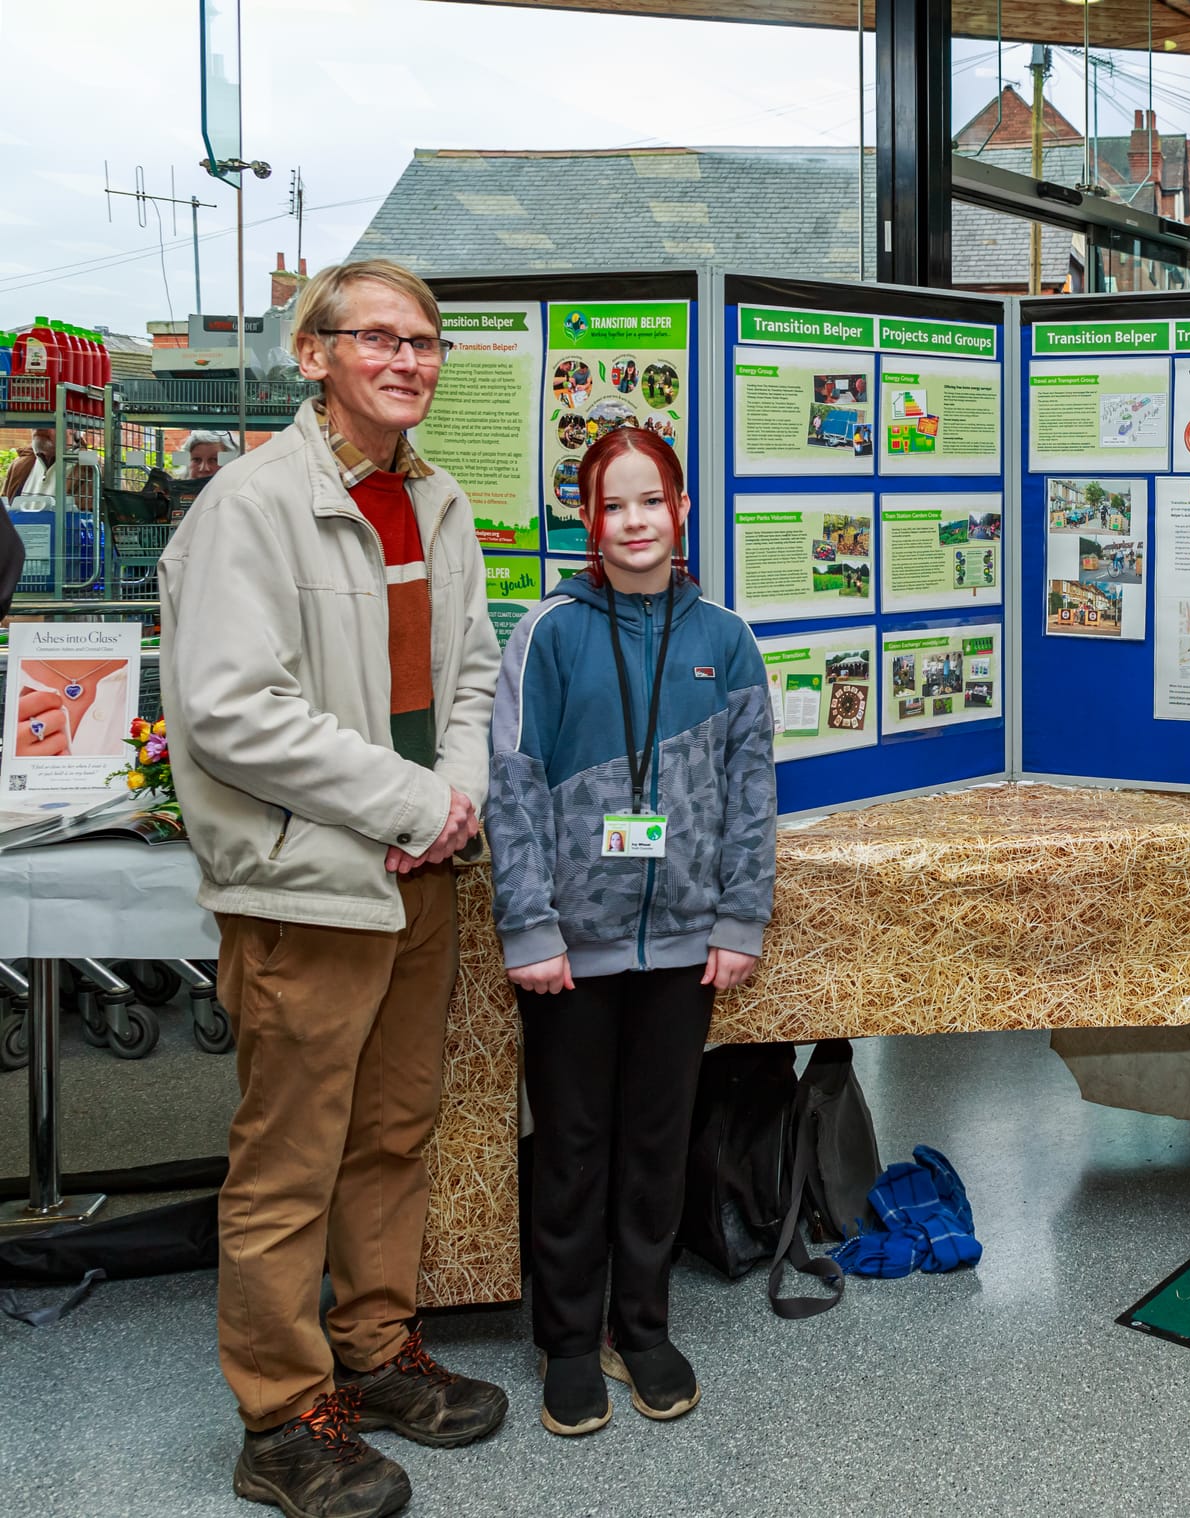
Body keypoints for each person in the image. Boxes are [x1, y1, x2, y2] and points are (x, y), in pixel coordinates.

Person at [158, 258, 506, 1518]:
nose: (409, 360)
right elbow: (230, 712)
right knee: (288, 1161)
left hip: (423, 876)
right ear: (314, 357)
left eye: (425, 343)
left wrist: (453, 800)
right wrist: (415, 804)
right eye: (380, 339)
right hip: (309, 888)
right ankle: (277, 1416)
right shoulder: (249, 508)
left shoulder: (443, 502)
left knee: (394, 1133)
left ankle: (370, 1351)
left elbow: (469, 675)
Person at [487, 425, 775, 1439]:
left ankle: (638, 1327)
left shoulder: (724, 639)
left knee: (656, 1144)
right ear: (587, 519)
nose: (635, 522)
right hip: (573, 944)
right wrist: (530, 929)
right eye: (613, 505)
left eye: (652, 501)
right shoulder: (550, 632)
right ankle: (567, 1338)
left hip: (687, 945)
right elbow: (513, 791)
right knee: (571, 1144)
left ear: (682, 509)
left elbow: (751, 796)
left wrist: (738, 918)